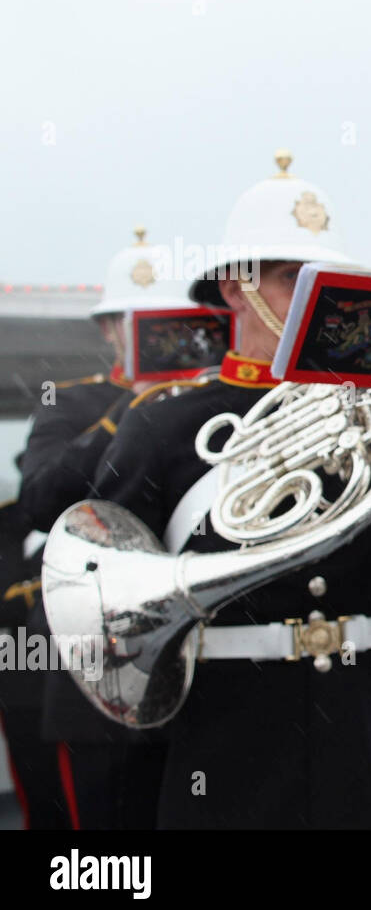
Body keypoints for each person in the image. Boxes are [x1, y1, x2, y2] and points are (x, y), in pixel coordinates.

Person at [92, 151, 371, 828]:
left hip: (370, 730)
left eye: (331, 281)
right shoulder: (163, 422)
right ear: (236, 289)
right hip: (233, 739)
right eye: (294, 277)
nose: (318, 297)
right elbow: (110, 599)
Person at [8, 227, 193, 829]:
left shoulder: (206, 401)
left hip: (193, 653)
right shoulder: (73, 403)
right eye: (133, 323)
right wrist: (130, 409)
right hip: (95, 652)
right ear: (109, 329)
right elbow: (40, 501)